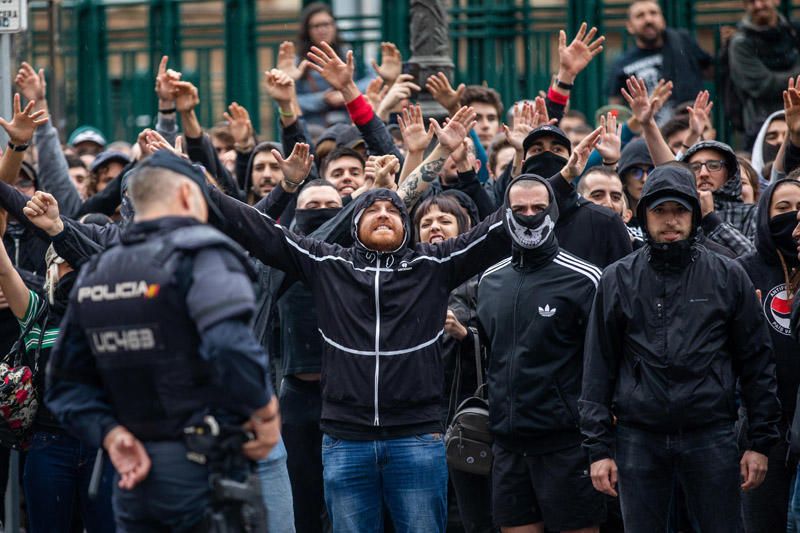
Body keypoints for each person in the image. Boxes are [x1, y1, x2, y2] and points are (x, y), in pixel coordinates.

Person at [203, 101, 573, 531]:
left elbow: (505, 220)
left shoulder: (432, 265)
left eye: (393, 212)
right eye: (373, 210)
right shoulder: (329, 264)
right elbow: (260, 231)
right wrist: (195, 181)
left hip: (416, 437)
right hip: (345, 441)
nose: (383, 215)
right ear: (354, 223)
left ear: (406, 226)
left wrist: (543, 177)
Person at [43, 151, 281, 530]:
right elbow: (229, 345)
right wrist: (265, 410)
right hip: (203, 469)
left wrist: (111, 434)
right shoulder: (202, 253)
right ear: (188, 196)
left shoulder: (98, 271)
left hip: (132, 470)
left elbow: (63, 386)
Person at [579, 163, 781, 531]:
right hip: (638, 438)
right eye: (660, 211)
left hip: (711, 435)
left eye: (679, 210)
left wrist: (759, 442)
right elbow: (598, 367)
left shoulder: (728, 274)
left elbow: (756, 360)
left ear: (693, 214)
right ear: (644, 216)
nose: (670, 221)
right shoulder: (618, 278)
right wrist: (599, 450)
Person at [478, 174, 605, 533]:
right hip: (507, 445)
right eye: (519, 209)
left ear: (554, 210)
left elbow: (603, 362)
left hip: (567, 445)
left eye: (538, 207)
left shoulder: (586, 279)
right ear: (504, 214)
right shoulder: (489, 280)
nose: (529, 216)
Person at [737, 178, 800, 533]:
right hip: (764, 428)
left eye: (798, 210)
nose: (791, 218)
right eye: (781, 209)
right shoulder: (745, 269)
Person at [606, 0, 711, 120]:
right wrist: (618, 124)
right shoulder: (622, 64)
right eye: (640, 16)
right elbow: (614, 106)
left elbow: (712, 72)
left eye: (653, 13)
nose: (648, 20)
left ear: (663, 20)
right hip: (648, 132)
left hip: (688, 125)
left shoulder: (682, 43)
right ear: (630, 26)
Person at [728, 0, 800, 146]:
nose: (758, 5)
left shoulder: (795, 32)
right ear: (744, 5)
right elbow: (763, 85)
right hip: (762, 129)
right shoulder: (740, 43)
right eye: (751, 1)